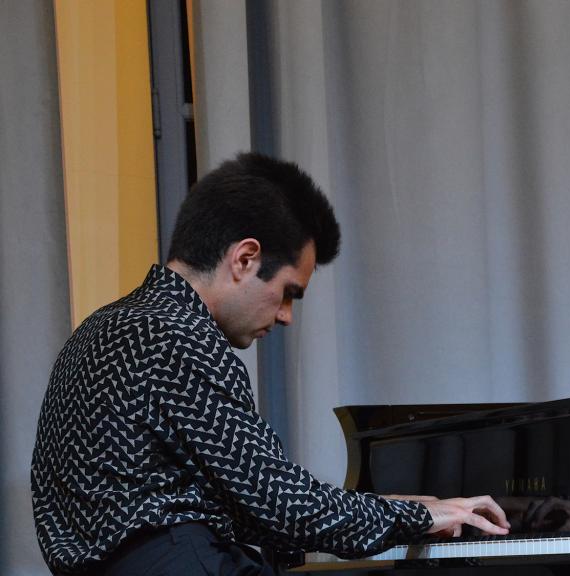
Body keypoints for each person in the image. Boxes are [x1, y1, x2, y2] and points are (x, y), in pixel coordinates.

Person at [30, 152, 509, 575]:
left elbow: (241, 504)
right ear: (244, 258)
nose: (286, 317)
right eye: (287, 294)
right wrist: (423, 517)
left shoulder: (100, 330)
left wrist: (383, 507)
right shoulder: (176, 336)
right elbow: (283, 507)